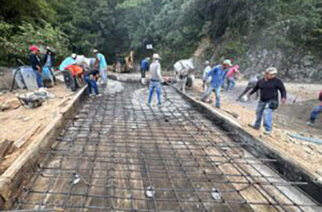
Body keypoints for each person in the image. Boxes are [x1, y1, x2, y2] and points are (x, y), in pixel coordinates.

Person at [249, 67, 287, 135]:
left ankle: (268, 129)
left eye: (274, 74)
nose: (273, 76)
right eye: (271, 74)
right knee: (258, 112)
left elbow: (282, 89)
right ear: (266, 74)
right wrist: (250, 94)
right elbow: (256, 88)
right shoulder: (261, 81)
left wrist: (283, 97)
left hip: (272, 101)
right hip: (262, 100)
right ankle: (256, 125)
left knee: (266, 113)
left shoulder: (277, 81)